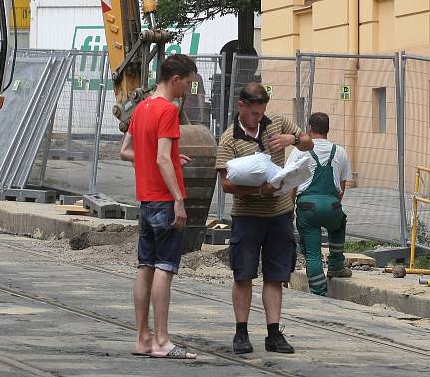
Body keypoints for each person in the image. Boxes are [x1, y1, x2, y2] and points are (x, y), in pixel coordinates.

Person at [215, 83, 313, 355]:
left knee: (275, 275)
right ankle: (241, 333)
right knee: (243, 274)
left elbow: (309, 142)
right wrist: (259, 189)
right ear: (241, 107)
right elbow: (225, 184)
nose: (259, 117)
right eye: (254, 113)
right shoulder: (228, 140)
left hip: (279, 215)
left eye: (262, 112)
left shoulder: (278, 123)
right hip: (247, 216)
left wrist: (291, 140)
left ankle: (273, 334)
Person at [119, 53, 198, 360]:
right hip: (165, 200)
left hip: (146, 199)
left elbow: (126, 150)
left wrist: (161, 157)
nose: (187, 91)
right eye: (187, 83)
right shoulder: (167, 110)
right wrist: (179, 198)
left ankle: (142, 338)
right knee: (165, 269)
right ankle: (162, 340)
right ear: (175, 79)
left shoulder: (143, 108)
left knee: (145, 267)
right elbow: (162, 158)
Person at [287, 112, 352, 296]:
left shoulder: (300, 150)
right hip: (332, 206)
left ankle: (319, 290)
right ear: (328, 130)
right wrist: (333, 205)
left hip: (307, 209)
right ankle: (336, 265)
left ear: (310, 128)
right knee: (340, 222)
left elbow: (291, 182)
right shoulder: (339, 152)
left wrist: (291, 209)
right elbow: (342, 185)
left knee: (313, 253)